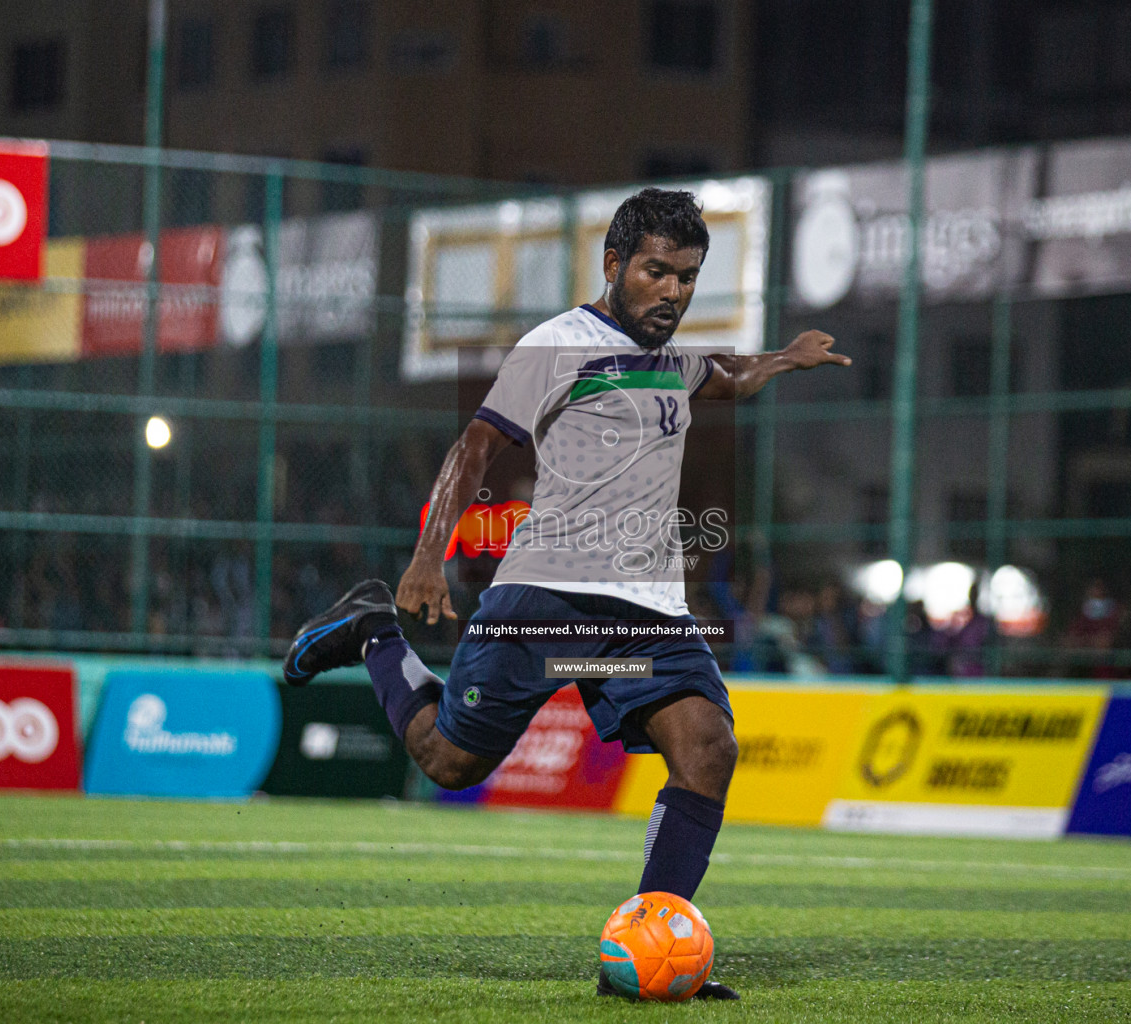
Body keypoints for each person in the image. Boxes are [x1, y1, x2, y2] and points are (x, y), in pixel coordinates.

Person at [282, 188, 850, 1001]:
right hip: (548, 598)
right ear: (615, 264)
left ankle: (653, 947)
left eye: (688, 277)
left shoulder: (670, 359)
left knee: (709, 751)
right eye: (658, 272)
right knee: (449, 761)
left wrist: (784, 360)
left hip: (651, 612)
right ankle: (374, 633)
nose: (674, 291)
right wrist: (426, 559)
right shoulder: (555, 346)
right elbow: (475, 448)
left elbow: (725, 377)